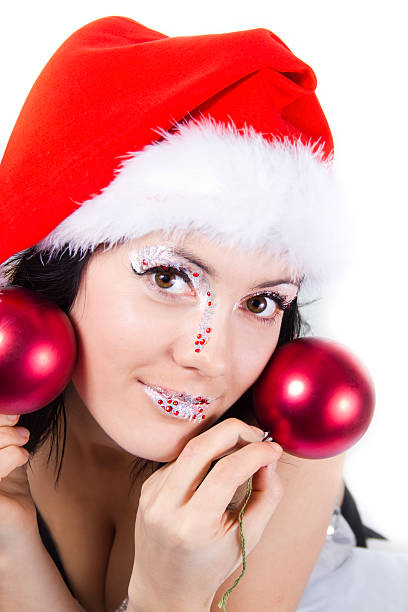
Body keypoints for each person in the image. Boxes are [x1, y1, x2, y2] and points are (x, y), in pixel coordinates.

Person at [0, 15, 402, 612]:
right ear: (60, 269)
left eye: (262, 302)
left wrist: (171, 598)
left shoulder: (286, 450)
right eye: (168, 278)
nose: (212, 356)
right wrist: (10, 546)